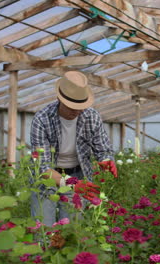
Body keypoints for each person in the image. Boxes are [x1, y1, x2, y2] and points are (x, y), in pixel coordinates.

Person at [30, 70, 118, 227]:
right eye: (72, 107)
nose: (77, 112)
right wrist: (69, 183)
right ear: (59, 99)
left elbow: (102, 148)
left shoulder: (91, 116)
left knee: (73, 230)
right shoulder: (42, 119)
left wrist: (106, 160)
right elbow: (42, 167)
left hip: (77, 175)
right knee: (43, 228)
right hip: (48, 177)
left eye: (81, 107)